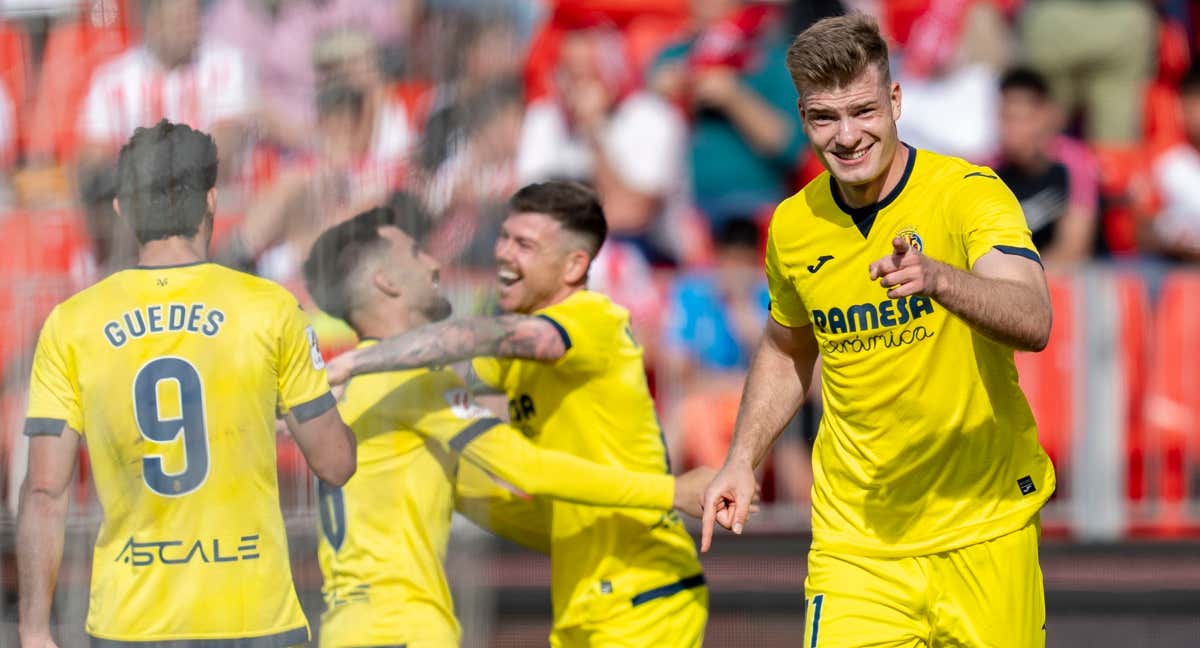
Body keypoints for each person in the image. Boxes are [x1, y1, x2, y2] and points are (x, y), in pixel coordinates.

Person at [700, 15, 1055, 647]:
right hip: (855, 545)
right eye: (822, 118)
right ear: (803, 117)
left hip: (984, 528)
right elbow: (787, 346)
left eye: (862, 111)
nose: (846, 137)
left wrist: (939, 280)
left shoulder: (967, 193)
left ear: (895, 101)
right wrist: (741, 458)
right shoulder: (792, 225)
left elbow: (1033, 319)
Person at [303, 206, 714, 647]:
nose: (435, 263)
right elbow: (527, 469)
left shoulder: (357, 394)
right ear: (387, 281)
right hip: (401, 628)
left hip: (347, 629)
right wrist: (669, 493)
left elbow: (486, 499)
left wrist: (606, 537)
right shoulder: (411, 379)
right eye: (417, 253)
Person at [17, 120, 356, 647]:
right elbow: (336, 463)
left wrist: (34, 628)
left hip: (131, 623)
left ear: (122, 210)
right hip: (255, 617)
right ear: (212, 201)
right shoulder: (269, 309)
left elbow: (44, 490)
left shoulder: (71, 324)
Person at [994, 67, 1099, 266]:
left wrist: (1020, 283)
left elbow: (1073, 249)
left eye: (1022, 119)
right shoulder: (989, 168)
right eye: (1005, 118)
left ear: (1046, 117)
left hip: (1058, 280)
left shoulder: (1075, 164)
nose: (1011, 130)